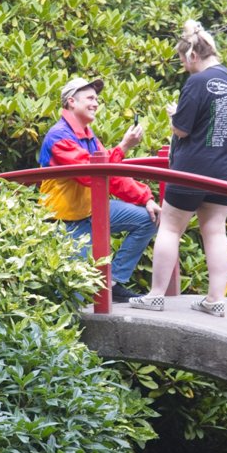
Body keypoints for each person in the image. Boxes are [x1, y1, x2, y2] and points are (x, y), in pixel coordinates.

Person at [129, 20, 227, 318]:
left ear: (193, 56)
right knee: (215, 231)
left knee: (170, 227)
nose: (185, 68)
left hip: (193, 169)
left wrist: (174, 117)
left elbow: (182, 130)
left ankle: (156, 295)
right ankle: (215, 299)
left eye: (183, 62)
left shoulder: (196, 82)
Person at [40, 76, 160, 302]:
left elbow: (111, 175)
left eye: (97, 98)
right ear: (71, 102)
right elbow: (89, 175)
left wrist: (146, 199)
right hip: (64, 223)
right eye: (90, 98)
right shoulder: (58, 136)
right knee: (73, 293)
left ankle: (113, 282)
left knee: (148, 218)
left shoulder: (88, 135)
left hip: (91, 211)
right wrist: (123, 147)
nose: (95, 103)